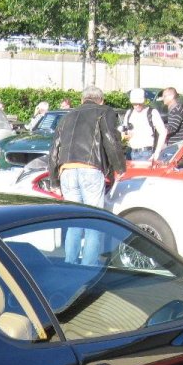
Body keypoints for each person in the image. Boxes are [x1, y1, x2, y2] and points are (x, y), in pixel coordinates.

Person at [47, 84, 125, 264]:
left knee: (75, 222)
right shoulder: (104, 112)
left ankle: (70, 264)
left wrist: (53, 180)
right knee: (93, 222)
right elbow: (111, 141)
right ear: (101, 100)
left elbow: (54, 149)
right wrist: (119, 168)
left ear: (82, 100)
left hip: (66, 170)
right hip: (90, 169)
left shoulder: (67, 116)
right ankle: (89, 267)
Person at [121, 88, 167, 161]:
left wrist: (157, 152)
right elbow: (124, 134)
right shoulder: (129, 113)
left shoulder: (152, 113)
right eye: (135, 103)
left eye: (140, 103)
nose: (137, 105)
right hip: (131, 152)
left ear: (144, 101)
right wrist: (126, 136)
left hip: (147, 153)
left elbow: (163, 132)